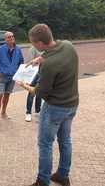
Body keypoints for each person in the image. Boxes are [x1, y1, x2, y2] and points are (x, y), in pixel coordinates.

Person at [17, 24, 79, 186]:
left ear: (39, 43)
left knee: (45, 144)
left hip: (54, 108)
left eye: (33, 43)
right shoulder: (68, 45)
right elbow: (55, 53)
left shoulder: (49, 65)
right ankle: (63, 175)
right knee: (65, 140)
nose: (33, 46)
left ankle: (43, 180)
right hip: (72, 104)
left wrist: (24, 85)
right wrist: (41, 58)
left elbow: (40, 92)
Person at [0, 31, 24, 125]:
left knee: (7, 95)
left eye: (12, 36)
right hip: (2, 76)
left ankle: (3, 112)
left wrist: (18, 72)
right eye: (9, 37)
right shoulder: (0, 49)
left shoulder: (18, 49)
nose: (11, 38)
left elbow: (21, 62)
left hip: (12, 76)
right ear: (5, 39)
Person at [25, 46, 43, 122]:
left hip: (42, 72)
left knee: (39, 93)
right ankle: (28, 113)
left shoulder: (45, 47)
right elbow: (30, 61)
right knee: (31, 93)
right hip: (34, 73)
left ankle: (38, 111)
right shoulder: (33, 49)